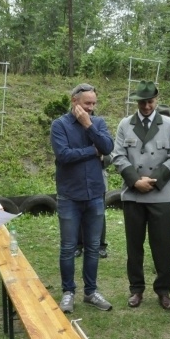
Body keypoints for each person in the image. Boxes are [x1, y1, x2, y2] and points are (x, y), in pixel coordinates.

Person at [112, 81, 170, 310]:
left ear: (156, 100)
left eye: (150, 101)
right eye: (142, 102)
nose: (146, 106)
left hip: (159, 193)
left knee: (163, 245)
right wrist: (134, 181)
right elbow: (118, 156)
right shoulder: (125, 124)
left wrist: (155, 181)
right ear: (137, 102)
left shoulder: (169, 124)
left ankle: (163, 290)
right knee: (134, 245)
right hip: (133, 194)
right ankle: (136, 289)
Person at [51, 83, 114, 314]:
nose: (91, 108)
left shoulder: (97, 123)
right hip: (69, 196)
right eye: (87, 103)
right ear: (74, 101)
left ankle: (91, 292)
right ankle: (68, 292)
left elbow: (107, 147)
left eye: (94, 103)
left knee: (94, 246)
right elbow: (64, 155)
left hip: (95, 195)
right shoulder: (59, 125)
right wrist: (92, 152)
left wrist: (89, 127)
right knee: (68, 247)